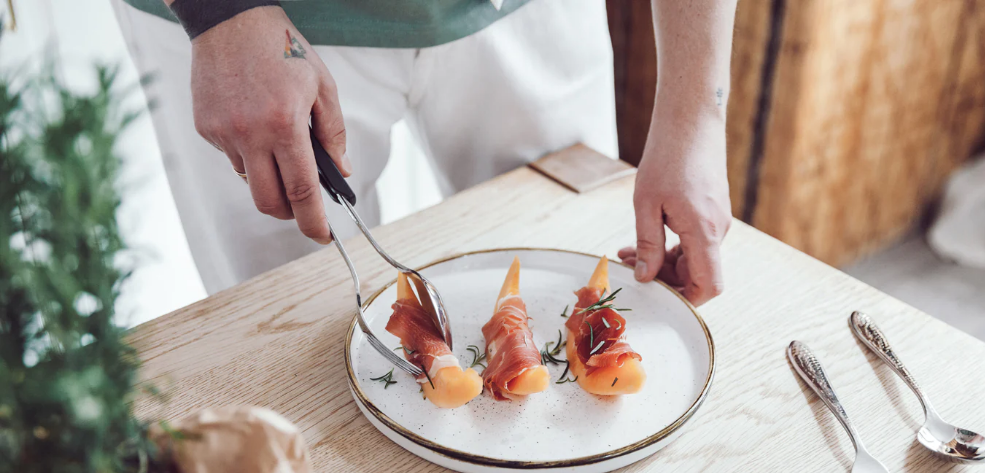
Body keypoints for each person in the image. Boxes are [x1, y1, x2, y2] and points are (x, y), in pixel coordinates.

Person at [112, 0, 735, 304]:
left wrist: (697, 114)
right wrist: (217, 9)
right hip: (253, 31)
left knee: (576, 278)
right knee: (287, 320)